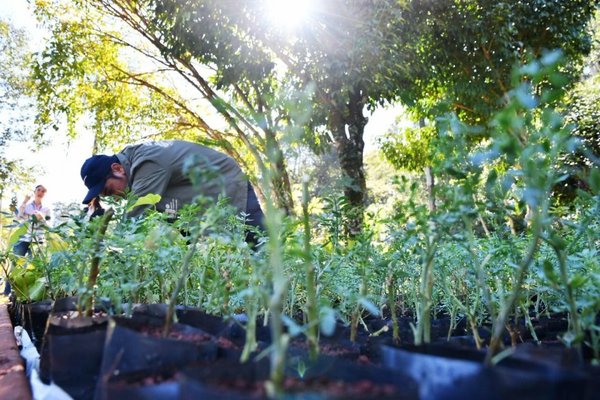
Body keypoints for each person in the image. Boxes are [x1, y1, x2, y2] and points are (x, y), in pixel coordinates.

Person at [80, 140, 264, 243]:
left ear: (117, 169)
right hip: (198, 205)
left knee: (262, 245)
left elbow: (133, 219)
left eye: (110, 190)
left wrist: (107, 255)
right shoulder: (134, 163)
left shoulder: (146, 163)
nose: (115, 197)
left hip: (228, 185)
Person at [3, 185, 51, 295]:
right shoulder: (27, 206)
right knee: (15, 264)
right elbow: (19, 217)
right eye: (39, 190)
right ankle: (8, 290)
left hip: (38, 240)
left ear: (45, 194)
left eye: (43, 191)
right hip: (24, 238)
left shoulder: (46, 209)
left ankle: (28, 292)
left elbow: (49, 226)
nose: (40, 192)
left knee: (34, 265)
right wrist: (24, 201)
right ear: (34, 191)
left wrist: (42, 218)